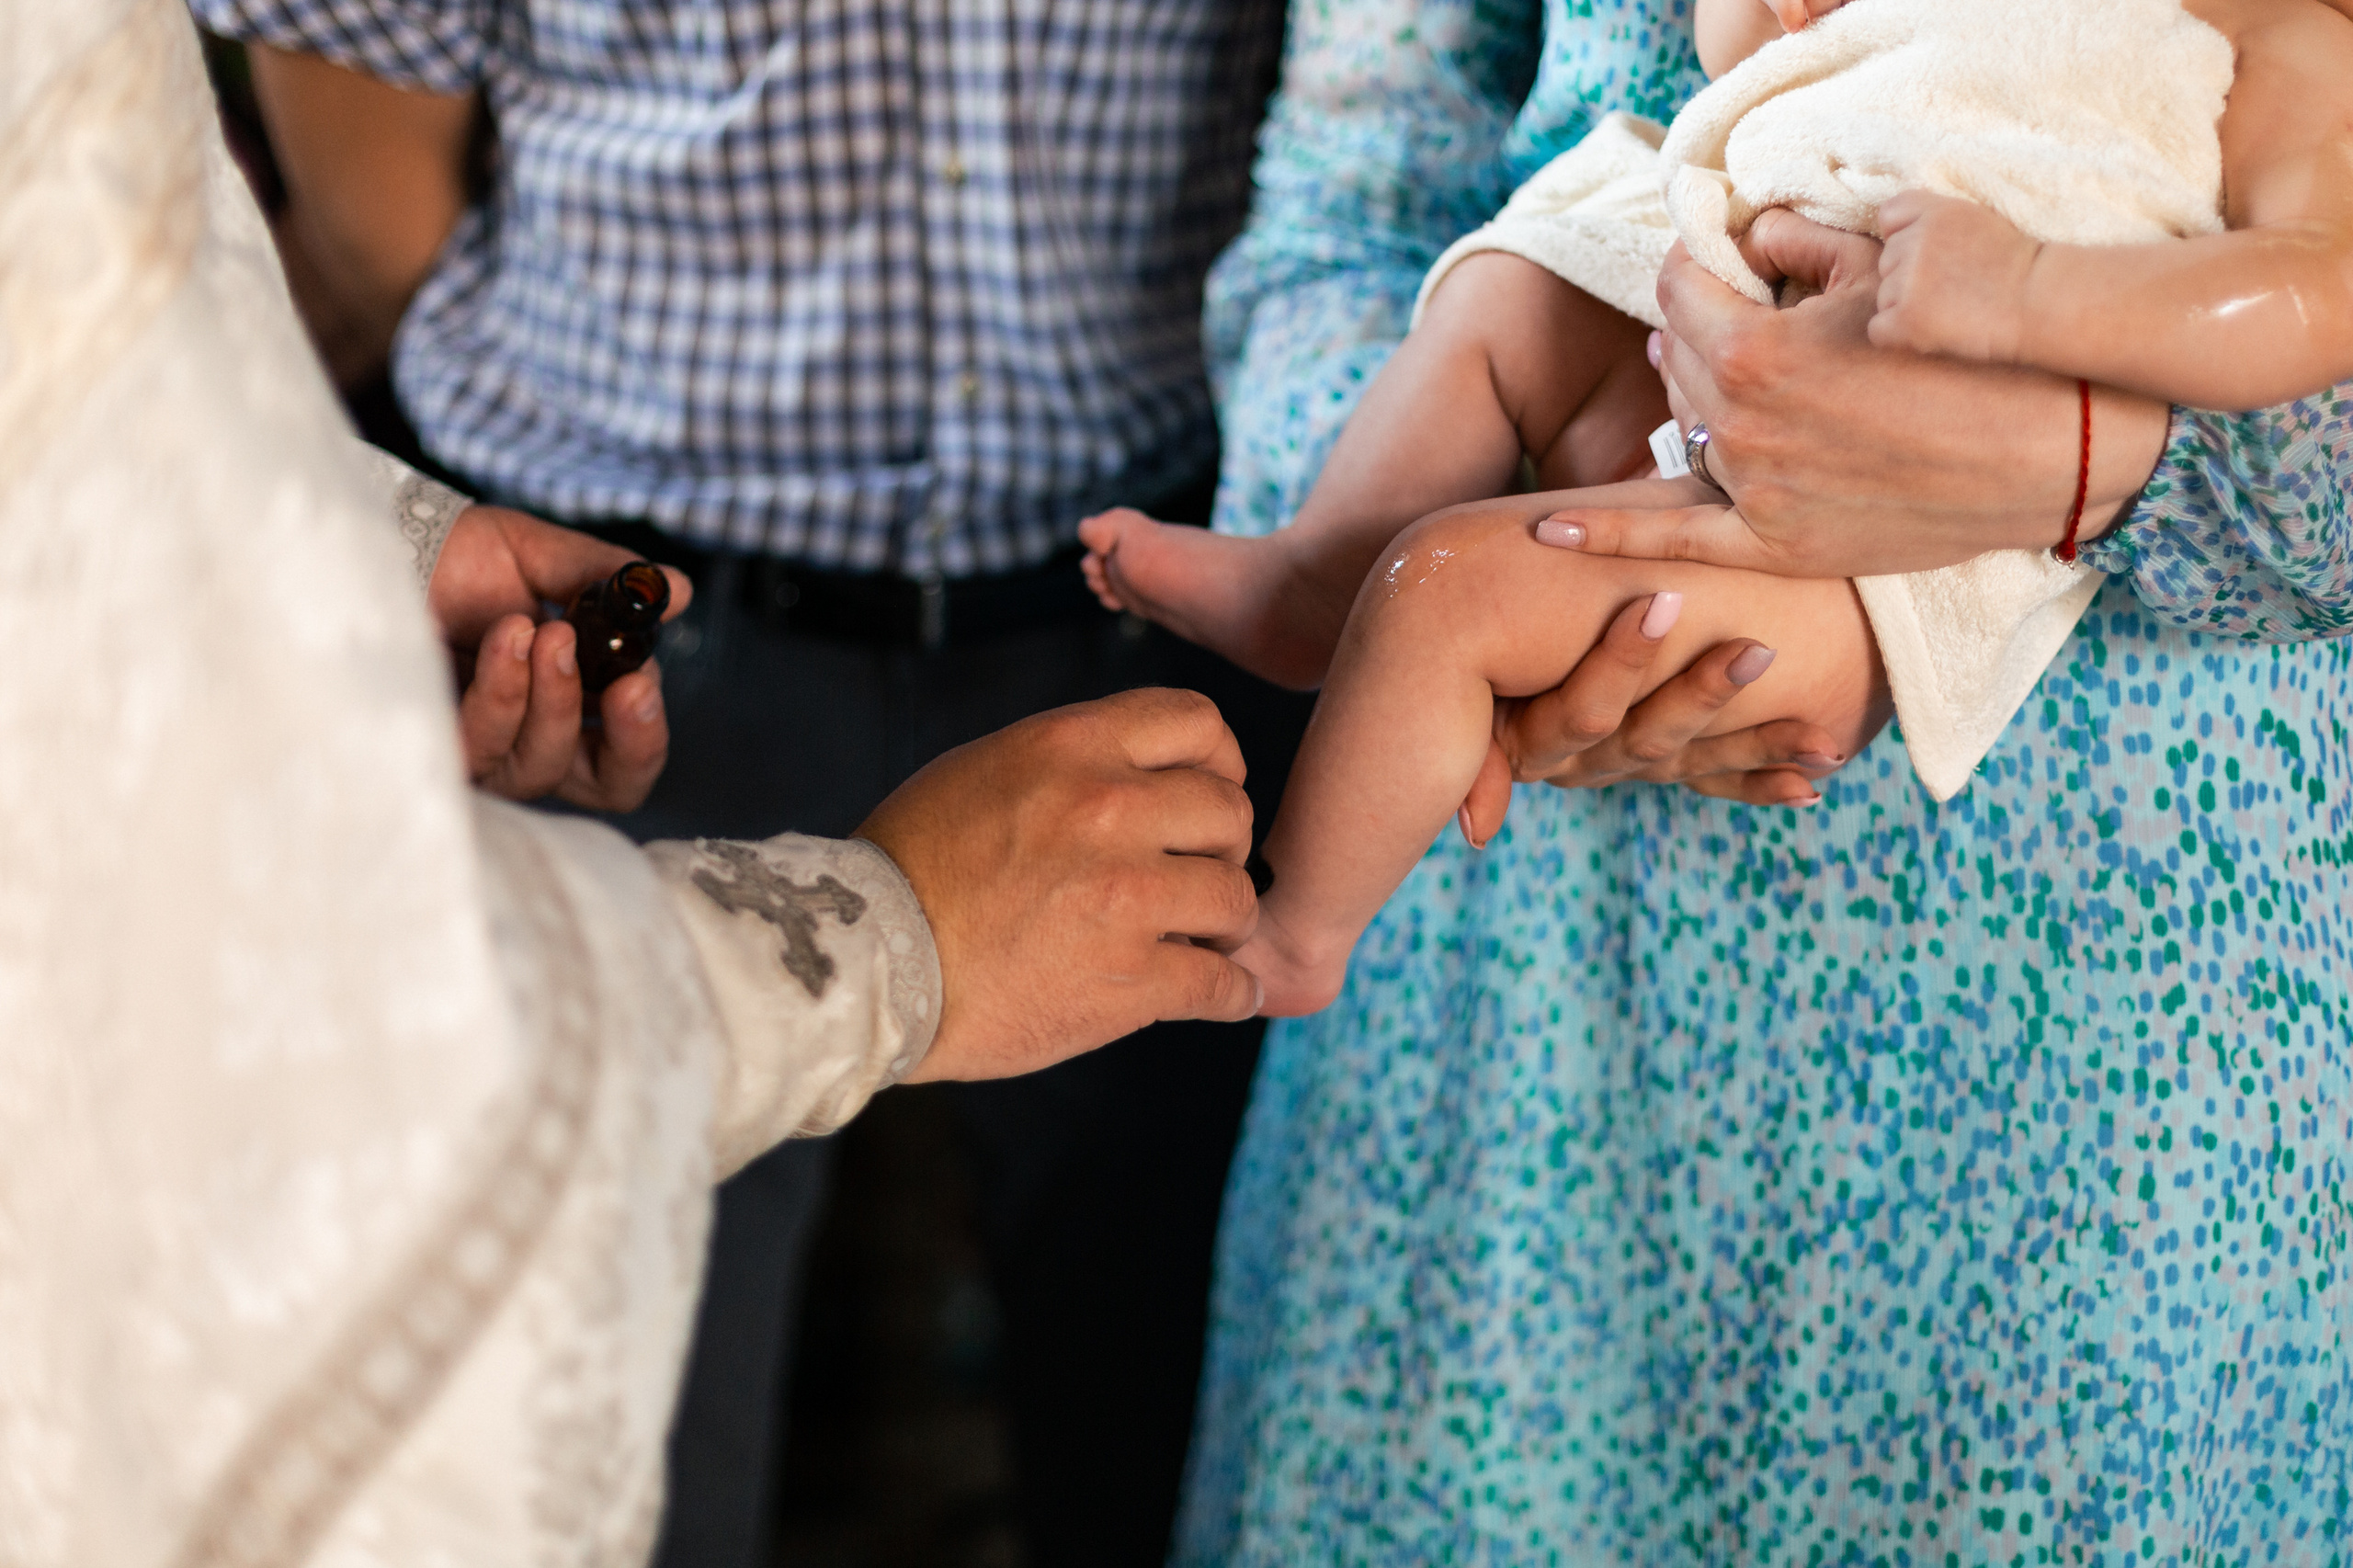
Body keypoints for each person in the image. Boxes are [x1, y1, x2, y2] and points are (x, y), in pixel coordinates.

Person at [0, 1, 1273, 1557]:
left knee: (1162, 1357)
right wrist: (876, 937)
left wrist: (387, 530)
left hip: (1133, 604)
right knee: (622, 1380)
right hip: (660, 649)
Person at [1171, 0, 2353, 1558]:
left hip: (2111, 1005)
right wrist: (1428, 506)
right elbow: (1356, 185)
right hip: (1523, 939)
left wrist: (2074, 473)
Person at [1083, 0, 2353, 1016]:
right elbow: (1378, 177)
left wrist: (2029, 311)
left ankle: (1300, 930)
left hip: (1906, 580)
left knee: (1451, 582)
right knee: (1508, 294)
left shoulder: (2263, 41)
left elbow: (2318, 295)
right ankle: (1318, 577)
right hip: (1699, 285)